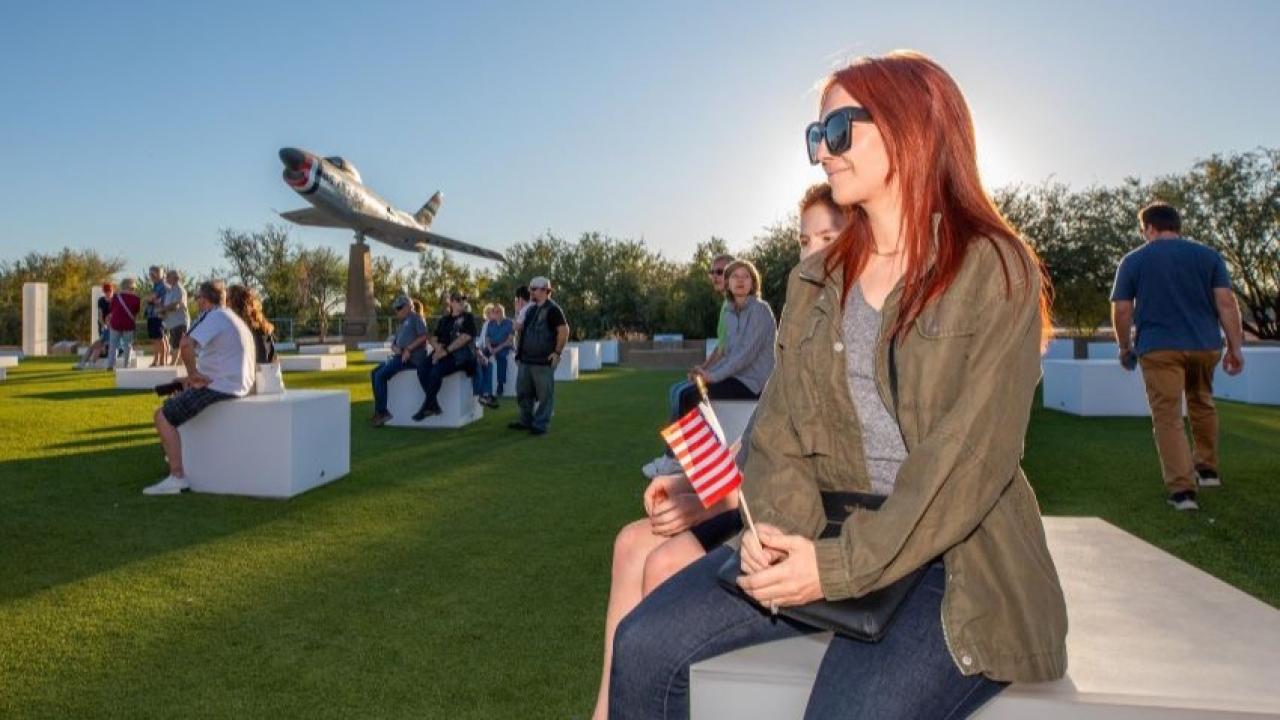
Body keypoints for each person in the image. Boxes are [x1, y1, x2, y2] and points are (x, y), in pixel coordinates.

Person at [610, 52, 1067, 719]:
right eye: (815, 136)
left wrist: (833, 569)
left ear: (914, 127)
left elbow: (971, 457)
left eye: (839, 130)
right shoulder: (815, 279)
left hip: (954, 553)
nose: (822, 152)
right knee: (643, 646)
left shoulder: (994, 269)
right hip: (819, 527)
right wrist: (779, 536)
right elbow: (781, 431)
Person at [591, 184, 846, 720]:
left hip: (800, 524)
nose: (814, 251)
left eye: (830, 235)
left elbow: (818, 471)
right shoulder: (801, 322)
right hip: (757, 496)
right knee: (630, 542)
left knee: (663, 561)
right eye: (804, 240)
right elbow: (764, 436)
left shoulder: (845, 328)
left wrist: (718, 500)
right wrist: (696, 486)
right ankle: (604, 712)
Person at [1111, 202, 1246, 512]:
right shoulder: (1208, 256)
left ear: (1149, 228)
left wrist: (1123, 347)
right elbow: (1226, 303)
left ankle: (1183, 492)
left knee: (1168, 416)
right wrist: (1235, 348)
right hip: (1204, 346)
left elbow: (1121, 309)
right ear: (1177, 226)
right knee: (1202, 403)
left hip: (1159, 348)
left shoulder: (1133, 260)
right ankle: (1208, 471)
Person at [145, 280, 255, 495]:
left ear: (204, 300)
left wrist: (194, 374)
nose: (197, 303)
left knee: (162, 416)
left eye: (197, 299)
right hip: (237, 384)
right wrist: (190, 376)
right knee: (179, 391)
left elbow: (185, 344)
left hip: (222, 387)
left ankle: (177, 476)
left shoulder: (212, 315)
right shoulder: (234, 318)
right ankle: (173, 458)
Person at [642, 254, 736, 478]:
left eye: (720, 272)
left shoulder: (736, 307)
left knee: (684, 395)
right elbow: (721, 348)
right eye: (712, 272)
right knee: (676, 390)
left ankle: (674, 460)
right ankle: (675, 457)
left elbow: (737, 352)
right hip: (725, 371)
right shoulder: (726, 306)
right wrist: (702, 367)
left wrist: (710, 374)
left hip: (738, 376)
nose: (714, 276)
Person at [509, 276, 568, 436]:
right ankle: (525, 421)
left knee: (544, 396)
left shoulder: (554, 310)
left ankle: (540, 425)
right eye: (531, 289)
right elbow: (521, 330)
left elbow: (563, 331)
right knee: (523, 393)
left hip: (542, 361)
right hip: (526, 360)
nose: (531, 292)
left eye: (534, 289)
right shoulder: (531, 309)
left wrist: (557, 353)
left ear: (545, 291)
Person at [413, 291, 478, 421]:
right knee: (421, 369)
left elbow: (465, 337)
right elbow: (433, 337)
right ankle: (433, 404)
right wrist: (437, 349)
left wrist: (445, 352)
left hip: (459, 355)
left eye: (463, 300)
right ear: (452, 302)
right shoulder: (444, 320)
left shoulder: (468, 317)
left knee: (436, 371)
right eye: (459, 300)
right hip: (441, 351)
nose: (462, 302)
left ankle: (427, 406)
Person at [370, 295, 430, 426]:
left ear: (408, 307)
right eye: (396, 309)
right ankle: (379, 411)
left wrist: (408, 349)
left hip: (412, 359)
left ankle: (382, 412)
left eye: (399, 308)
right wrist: (395, 348)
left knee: (380, 375)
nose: (396, 311)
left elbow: (424, 336)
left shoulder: (416, 318)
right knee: (374, 372)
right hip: (400, 356)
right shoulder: (402, 323)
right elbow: (394, 343)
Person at [226, 285, 278, 364]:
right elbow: (271, 356)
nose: (225, 303)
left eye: (227, 299)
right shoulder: (261, 325)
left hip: (253, 372)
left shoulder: (237, 326)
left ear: (234, 302)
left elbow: (270, 356)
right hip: (261, 370)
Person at [76, 282, 115, 369]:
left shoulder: (115, 300)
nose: (108, 293)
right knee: (97, 346)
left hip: (112, 329)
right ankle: (87, 363)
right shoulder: (101, 301)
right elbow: (100, 315)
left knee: (100, 346)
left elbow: (113, 315)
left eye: (110, 291)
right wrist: (104, 325)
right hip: (105, 328)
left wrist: (109, 323)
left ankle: (87, 363)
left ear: (112, 290)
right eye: (106, 292)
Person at [106, 278, 142, 369]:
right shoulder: (137, 299)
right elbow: (136, 312)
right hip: (128, 324)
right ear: (132, 287)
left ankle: (110, 365)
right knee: (127, 345)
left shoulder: (116, 297)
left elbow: (112, 309)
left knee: (113, 345)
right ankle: (126, 365)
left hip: (115, 323)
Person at [485, 304, 515, 399]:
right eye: (494, 311)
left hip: (505, 346)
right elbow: (487, 338)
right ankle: (483, 385)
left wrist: (497, 349)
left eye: (498, 311)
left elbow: (509, 341)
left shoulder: (509, 323)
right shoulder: (491, 323)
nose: (496, 313)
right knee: (481, 356)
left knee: (501, 358)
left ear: (503, 313)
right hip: (492, 346)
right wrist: (490, 348)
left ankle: (500, 385)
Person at [160, 270, 189, 366]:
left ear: (175, 278)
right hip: (172, 322)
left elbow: (176, 305)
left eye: (168, 276)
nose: (166, 278)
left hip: (179, 322)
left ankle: (173, 364)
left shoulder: (179, 289)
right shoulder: (170, 290)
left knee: (177, 344)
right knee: (175, 343)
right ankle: (179, 365)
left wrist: (163, 309)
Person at [144, 266, 169, 366]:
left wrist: (151, 299)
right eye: (151, 274)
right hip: (152, 314)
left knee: (160, 338)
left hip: (159, 314)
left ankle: (162, 361)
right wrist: (151, 299)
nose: (152, 276)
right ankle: (156, 360)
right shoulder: (155, 286)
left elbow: (156, 299)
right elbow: (149, 298)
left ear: (162, 274)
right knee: (155, 339)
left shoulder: (163, 286)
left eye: (155, 273)